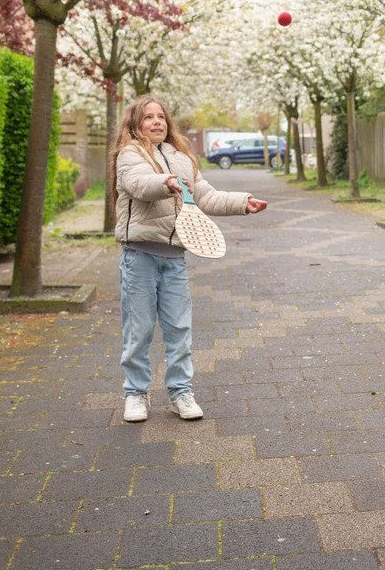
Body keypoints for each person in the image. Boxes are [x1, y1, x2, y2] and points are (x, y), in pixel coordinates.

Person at [111, 95, 268, 422]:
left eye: (161, 117)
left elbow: (205, 196)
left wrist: (243, 201)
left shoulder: (181, 157)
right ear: (135, 124)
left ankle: (181, 392)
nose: (156, 122)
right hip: (139, 256)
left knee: (179, 328)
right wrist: (165, 182)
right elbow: (138, 184)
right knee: (138, 330)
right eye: (148, 117)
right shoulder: (129, 155)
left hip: (174, 259)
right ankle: (135, 394)